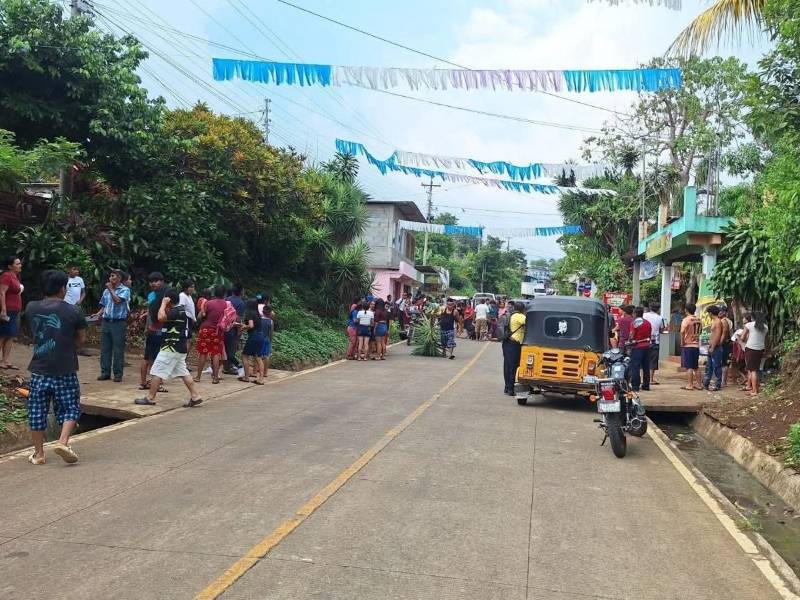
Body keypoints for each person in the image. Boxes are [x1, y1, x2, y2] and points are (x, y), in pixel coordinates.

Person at [24, 270, 86, 465]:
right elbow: (81, 341)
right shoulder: (73, 311)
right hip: (65, 367)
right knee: (70, 406)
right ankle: (62, 442)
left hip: (40, 369)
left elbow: (33, 332)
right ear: (62, 288)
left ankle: (39, 454)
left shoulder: (31, 307)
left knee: (37, 410)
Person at [135, 289, 202, 407]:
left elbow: (160, 317)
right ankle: (195, 396)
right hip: (179, 348)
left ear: (169, 300)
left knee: (156, 371)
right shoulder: (181, 311)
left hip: (170, 347)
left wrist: (163, 303)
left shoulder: (176, 311)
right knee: (183, 372)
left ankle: (150, 397)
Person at [96, 269, 131, 382]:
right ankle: (105, 372)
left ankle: (117, 374)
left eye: (113, 276)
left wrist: (110, 289)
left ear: (119, 278)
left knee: (118, 349)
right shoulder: (106, 291)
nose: (111, 278)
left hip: (118, 323)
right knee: (105, 349)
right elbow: (104, 305)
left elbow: (117, 301)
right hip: (106, 321)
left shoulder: (125, 290)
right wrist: (98, 313)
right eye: (110, 276)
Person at [139, 272, 166, 391]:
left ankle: (147, 382)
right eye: (151, 281)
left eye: (156, 281)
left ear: (162, 281)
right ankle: (155, 383)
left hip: (152, 329)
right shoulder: (158, 297)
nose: (153, 283)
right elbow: (154, 313)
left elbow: (150, 312)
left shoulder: (157, 296)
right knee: (155, 358)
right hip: (156, 329)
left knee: (149, 357)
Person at [195, 285, 227, 383]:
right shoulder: (226, 304)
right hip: (218, 331)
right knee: (216, 353)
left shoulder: (209, 303)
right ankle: (215, 377)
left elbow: (200, 316)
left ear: (214, 293)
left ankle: (198, 377)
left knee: (203, 353)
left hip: (206, 329)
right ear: (224, 294)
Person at [0, 255, 23, 370]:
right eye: (17, 264)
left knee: (11, 335)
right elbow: (2, 293)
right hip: (8, 310)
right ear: (10, 266)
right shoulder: (6, 276)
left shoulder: (15, 276)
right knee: (3, 335)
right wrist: (3, 309)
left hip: (14, 310)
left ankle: (5, 360)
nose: (20, 265)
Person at [740, 311, 768, 396]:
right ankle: (755, 388)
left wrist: (743, 340)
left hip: (751, 348)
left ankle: (754, 391)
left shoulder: (749, 325)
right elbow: (765, 339)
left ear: (753, 318)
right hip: (760, 349)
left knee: (752, 370)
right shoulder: (765, 327)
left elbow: (742, 337)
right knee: (755, 368)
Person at [239, 299, 266, 384]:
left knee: (244, 355)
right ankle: (261, 378)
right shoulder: (257, 314)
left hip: (254, 336)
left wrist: (244, 327)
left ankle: (246, 377)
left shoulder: (250, 313)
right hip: (261, 335)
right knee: (258, 357)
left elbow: (251, 325)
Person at [502, 302, 526, 396]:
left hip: (507, 343)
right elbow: (531, 322)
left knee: (507, 366)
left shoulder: (511, 315)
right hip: (514, 344)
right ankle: (511, 389)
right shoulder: (520, 316)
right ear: (522, 309)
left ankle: (507, 387)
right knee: (513, 367)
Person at [679, 303, 702, 390]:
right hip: (696, 345)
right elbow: (700, 331)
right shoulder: (699, 320)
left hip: (688, 345)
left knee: (689, 366)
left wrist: (682, 342)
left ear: (686, 310)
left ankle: (690, 385)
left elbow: (682, 332)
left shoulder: (686, 320)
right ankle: (699, 384)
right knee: (696, 366)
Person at [629, 307, 652, 392]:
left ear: (635, 313)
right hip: (647, 346)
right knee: (646, 367)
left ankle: (635, 386)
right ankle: (646, 385)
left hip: (638, 347)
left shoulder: (635, 323)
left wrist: (630, 341)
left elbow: (631, 335)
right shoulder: (648, 323)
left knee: (635, 366)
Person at [643, 302, 666, 385]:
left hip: (643, 341)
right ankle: (651, 379)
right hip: (654, 341)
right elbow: (662, 330)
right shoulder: (660, 318)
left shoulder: (644, 315)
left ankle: (643, 378)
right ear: (658, 309)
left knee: (644, 360)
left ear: (650, 307)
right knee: (653, 360)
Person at [703, 305, 724, 391]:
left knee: (716, 366)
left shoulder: (718, 321)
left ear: (711, 313)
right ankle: (706, 383)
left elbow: (718, 335)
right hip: (712, 346)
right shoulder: (714, 321)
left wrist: (713, 346)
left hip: (716, 347)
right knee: (709, 366)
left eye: (708, 313)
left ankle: (717, 384)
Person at [719, 306, 734, 387]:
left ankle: (723, 382)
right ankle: (723, 381)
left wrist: (720, 343)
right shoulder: (729, 321)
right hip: (728, 342)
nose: (719, 313)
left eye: (721, 311)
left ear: (724, 312)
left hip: (724, 343)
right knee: (725, 363)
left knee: (723, 362)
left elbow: (724, 334)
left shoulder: (723, 321)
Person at [260, 305, 274, 380]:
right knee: (267, 356)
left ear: (262, 312)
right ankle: (265, 372)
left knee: (259, 356)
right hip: (266, 339)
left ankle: (258, 371)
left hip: (259, 338)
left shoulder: (259, 320)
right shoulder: (271, 321)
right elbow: (271, 333)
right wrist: (270, 341)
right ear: (270, 313)